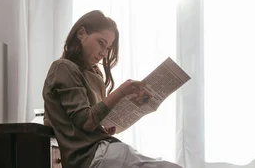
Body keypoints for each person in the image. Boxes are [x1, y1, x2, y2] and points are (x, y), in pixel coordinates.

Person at [42, 10, 182, 168]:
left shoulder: (92, 74)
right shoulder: (63, 67)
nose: (103, 53)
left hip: (100, 151)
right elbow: (85, 122)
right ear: (81, 33)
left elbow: (86, 122)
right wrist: (121, 91)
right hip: (93, 156)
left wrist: (106, 124)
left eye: (108, 48)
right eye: (101, 43)